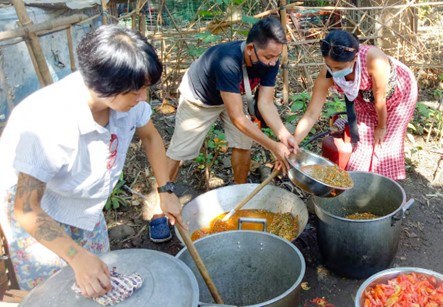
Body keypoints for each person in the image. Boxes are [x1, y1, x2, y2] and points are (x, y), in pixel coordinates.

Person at [0, 25, 183, 297]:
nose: (144, 98)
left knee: (100, 282)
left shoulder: (126, 105)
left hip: (84, 206)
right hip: (39, 211)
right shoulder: (45, 122)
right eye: (137, 90)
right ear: (103, 85)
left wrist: (165, 190)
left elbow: (151, 138)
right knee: (55, 295)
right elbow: (26, 209)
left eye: (145, 88)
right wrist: (76, 256)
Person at [165, 17, 296, 184]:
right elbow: (237, 117)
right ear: (250, 48)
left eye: (276, 57)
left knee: (243, 142)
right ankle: (163, 198)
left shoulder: (271, 60)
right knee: (180, 151)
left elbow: (266, 103)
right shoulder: (227, 61)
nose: (273, 63)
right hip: (199, 99)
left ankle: (239, 191)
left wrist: (284, 135)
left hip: (232, 94)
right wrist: (273, 146)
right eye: (268, 57)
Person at [293, 30, 417, 180]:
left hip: (397, 95)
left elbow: (380, 99)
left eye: (339, 68)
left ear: (355, 57)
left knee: (384, 145)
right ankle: (360, 182)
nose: (333, 72)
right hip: (365, 99)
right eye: (329, 66)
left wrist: (381, 127)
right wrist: (293, 143)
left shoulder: (374, 60)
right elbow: (311, 114)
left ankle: (384, 186)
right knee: (363, 145)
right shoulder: (327, 74)